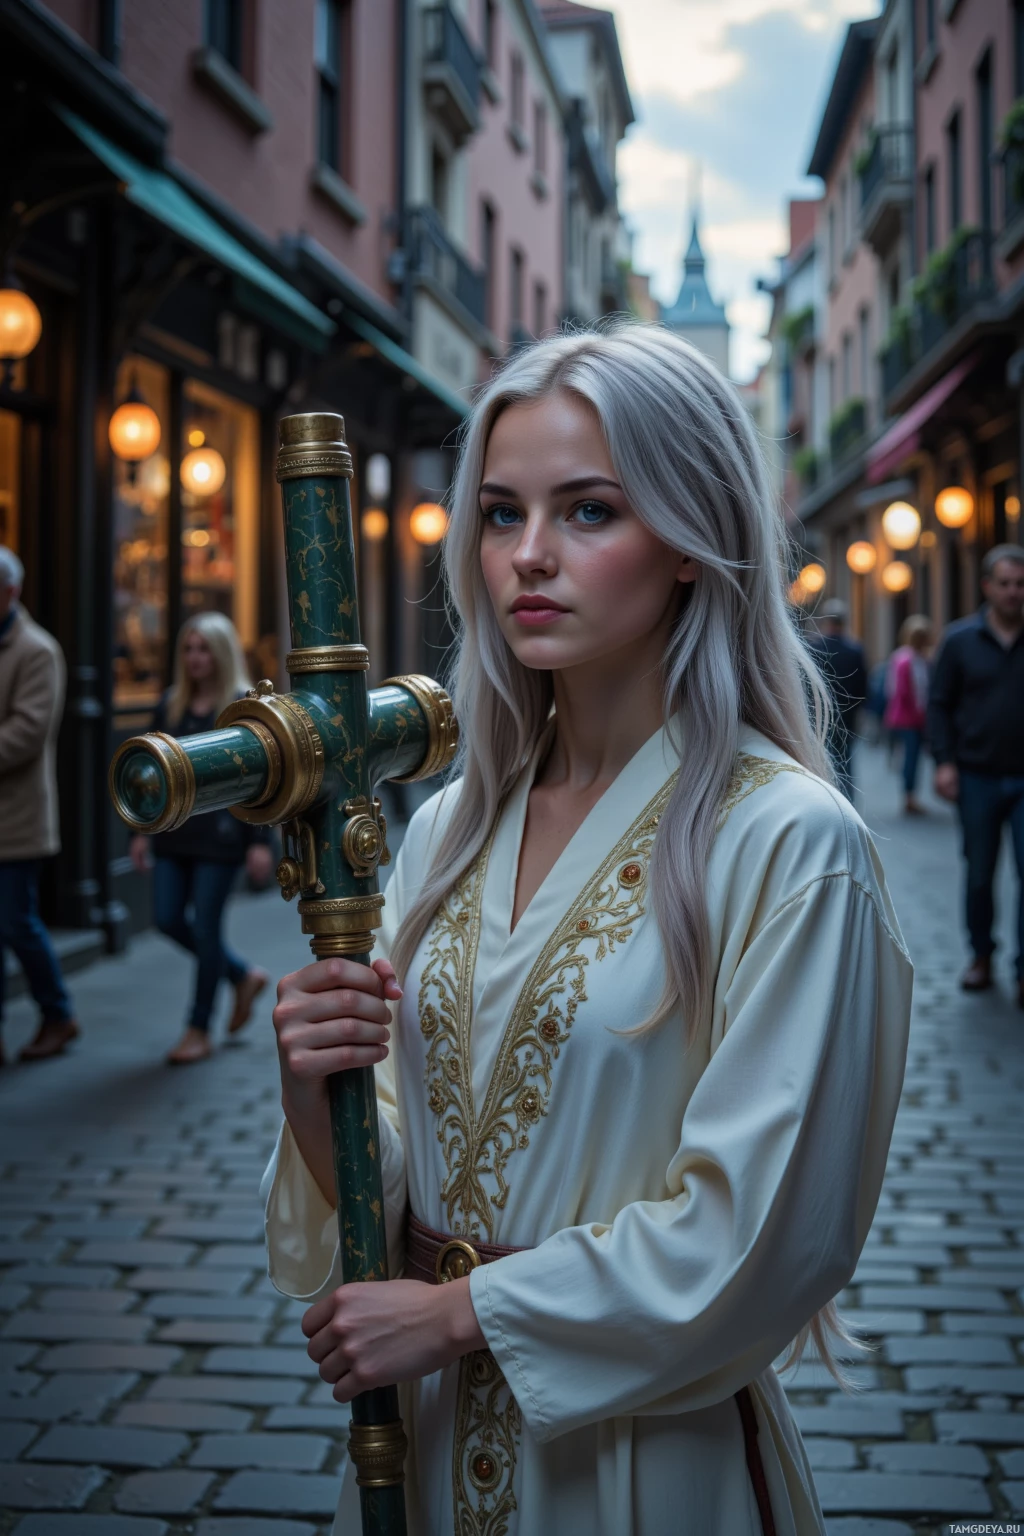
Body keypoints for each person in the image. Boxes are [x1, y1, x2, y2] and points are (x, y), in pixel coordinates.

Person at [261, 326, 912, 1536]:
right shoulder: (447, 826)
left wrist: (460, 1316)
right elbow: (392, 1164)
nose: (531, 556)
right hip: (430, 1445)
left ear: (688, 542)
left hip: (648, 1465)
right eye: (501, 514)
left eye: (590, 510)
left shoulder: (789, 842)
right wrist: (317, 1088)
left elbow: (762, 1228)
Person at [130, 612, 272, 1064]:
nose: (195, 658)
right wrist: (139, 832)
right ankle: (240, 975)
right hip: (173, 835)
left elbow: (261, 780)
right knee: (169, 919)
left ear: (222, 652)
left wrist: (258, 844)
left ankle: (198, 1028)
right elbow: (148, 776)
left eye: (204, 648)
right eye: (189, 649)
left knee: (207, 928)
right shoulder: (170, 705)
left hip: (222, 838)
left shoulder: (240, 707)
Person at [929, 543, 1024, 1001]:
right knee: (981, 872)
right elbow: (939, 705)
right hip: (977, 777)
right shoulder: (960, 641)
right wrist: (944, 761)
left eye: (1020, 584)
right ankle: (981, 956)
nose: (1013, 592)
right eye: (1004, 584)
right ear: (987, 586)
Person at [0, 546, 80, 1065]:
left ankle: (57, 1013)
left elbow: (27, 733)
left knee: (16, 923)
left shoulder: (36, 650)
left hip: (15, 818)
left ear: (11, 592)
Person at [807, 598, 868, 800]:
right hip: (848, 716)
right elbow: (863, 688)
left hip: (818, 714)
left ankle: (825, 799)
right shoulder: (855, 650)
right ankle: (846, 802)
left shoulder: (814, 648)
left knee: (821, 758)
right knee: (845, 760)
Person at [884, 615, 933, 816]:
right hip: (907, 718)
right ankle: (909, 796)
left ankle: (911, 794)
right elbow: (902, 692)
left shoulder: (920, 659)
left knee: (912, 757)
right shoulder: (906, 659)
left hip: (916, 717)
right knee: (910, 757)